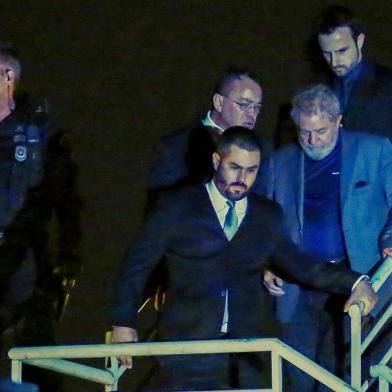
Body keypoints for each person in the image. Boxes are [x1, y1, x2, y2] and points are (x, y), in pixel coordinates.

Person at [111, 127, 376, 391]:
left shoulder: (266, 215)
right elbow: (137, 265)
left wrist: (355, 282)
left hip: (247, 354)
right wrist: (123, 322)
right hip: (188, 347)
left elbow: (300, 265)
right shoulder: (177, 206)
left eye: (251, 170)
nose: (242, 178)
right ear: (217, 161)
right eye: (234, 167)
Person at [264, 84, 392, 391]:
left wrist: (390, 238)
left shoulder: (375, 150)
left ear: (338, 121)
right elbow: (266, 220)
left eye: (320, 131)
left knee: (351, 370)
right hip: (301, 281)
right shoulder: (280, 161)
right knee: (299, 371)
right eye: (304, 132)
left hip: (359, 277)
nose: (312, 140)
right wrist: (267, 263)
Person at [0, 44, 82, 391]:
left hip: (26, 263)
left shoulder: (40, 134)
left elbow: (66, 200)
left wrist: (68, 256)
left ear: (9, 78)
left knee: (36, 358)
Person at [148, 67, 273, 199]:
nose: (252, 113)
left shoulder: (264, 148)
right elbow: (161, 205)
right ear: (218, 102)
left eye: (257, 107)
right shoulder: (174, 146)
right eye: (243, 105)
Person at [315, 5, 392, 139]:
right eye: (327, 53)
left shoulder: (388, 83)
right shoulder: (318, 88)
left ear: (360, 41)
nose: (334, 61)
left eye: (342, 51)